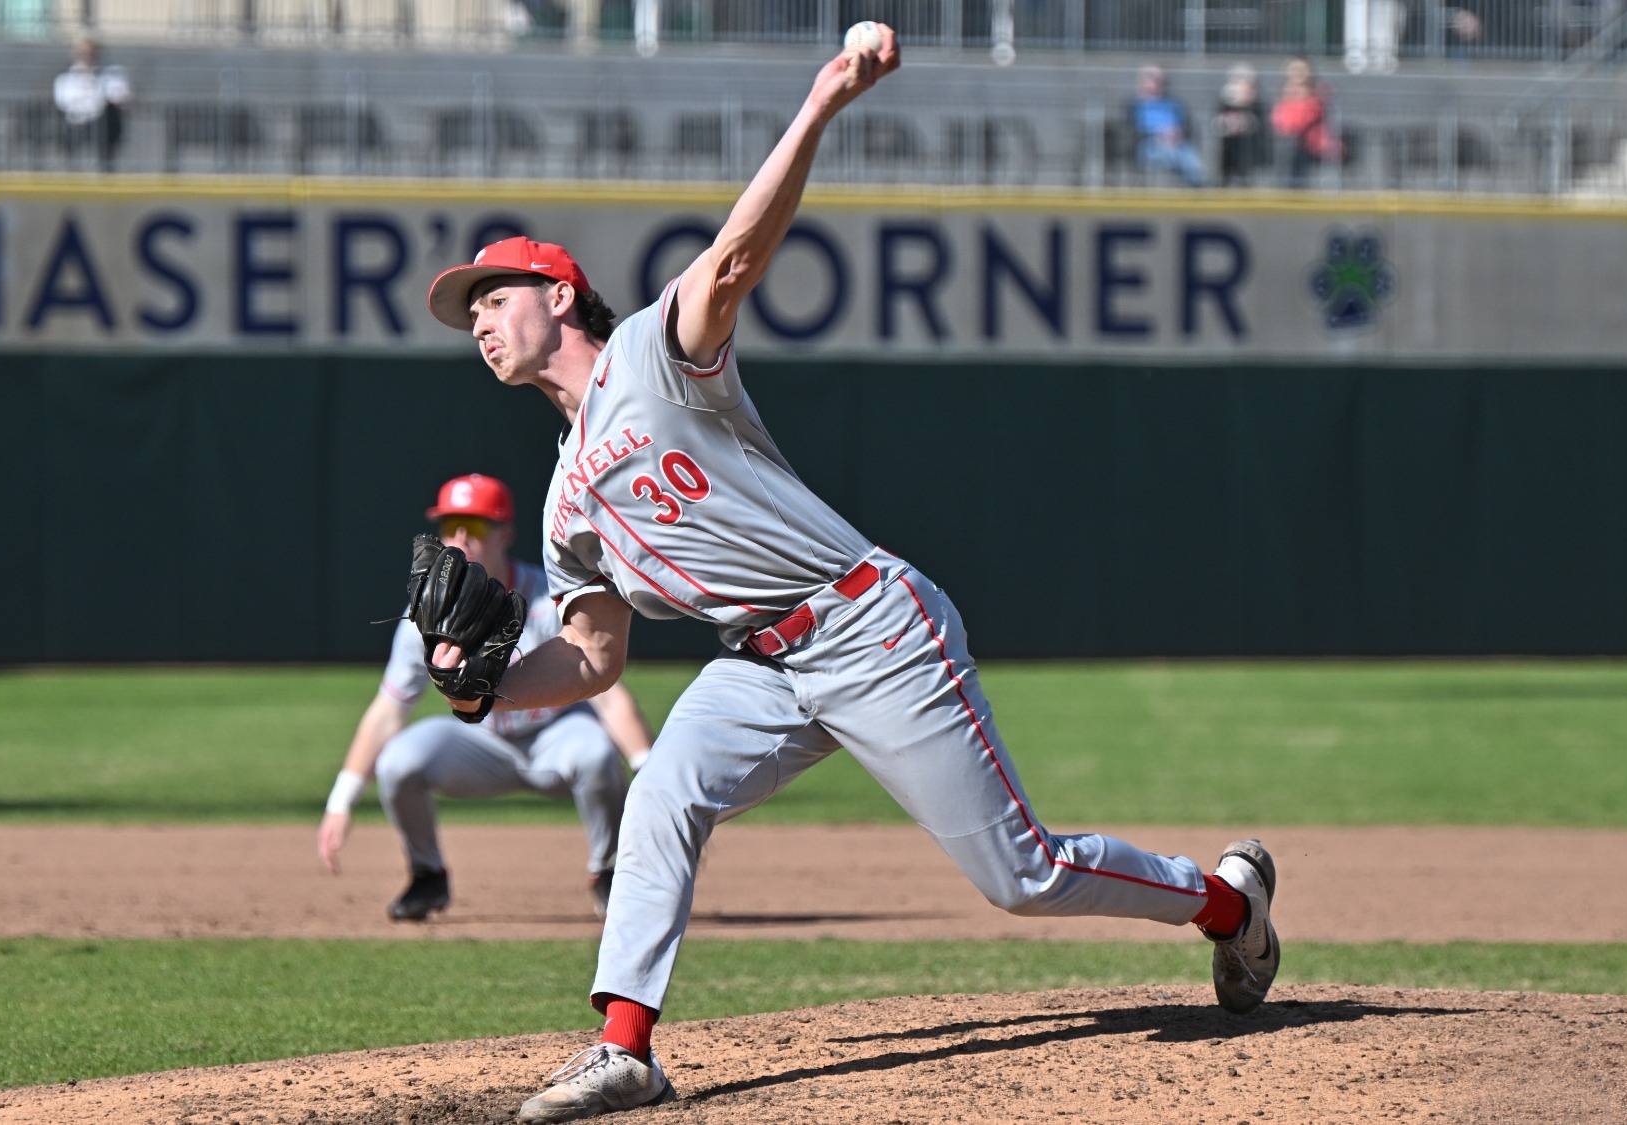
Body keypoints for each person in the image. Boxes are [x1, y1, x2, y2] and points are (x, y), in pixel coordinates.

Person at [419, 23, 1281, 1123]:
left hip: (871, 627)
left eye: (493, 299)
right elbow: (589, 660)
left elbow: (732, 256)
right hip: (761, 667)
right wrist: (484, 684)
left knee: (1019, 876)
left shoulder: (647, 354)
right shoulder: (560, 501)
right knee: (662, 793)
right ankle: (625, 1046)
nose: (479, 323)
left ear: (557, 294)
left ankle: (1226, 904)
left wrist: (823, 99)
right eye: (470, 313)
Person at [318, 473, 654, 922]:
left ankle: (608, 871)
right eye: (451, 525)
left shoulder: (550, 600)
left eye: (475, 526)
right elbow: (387, 709)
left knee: (595, 751)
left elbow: (610, 699)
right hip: (479, 745)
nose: (461, 538)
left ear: (506, 533)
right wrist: (341, 801)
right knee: (398, 761)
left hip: (554, 735)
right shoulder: (425, 615)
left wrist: (650, 777)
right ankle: (427, 875)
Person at [53, 35, 132, 172]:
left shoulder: (112, 72)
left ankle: (104, 167)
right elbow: (64, 101)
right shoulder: (65, 76)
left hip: (104, 122)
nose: (87, 57)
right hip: (77, 122)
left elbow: (121, 96)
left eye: (91, 53)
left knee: (107, 121)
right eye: (82, 53)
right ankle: (72, 170)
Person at [1132, 63, 1206, 188]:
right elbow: (1133, 129)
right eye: (1152, 78)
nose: (1156, 82)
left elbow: (1184, 125)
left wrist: (1176, 133)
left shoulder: (1173, 104)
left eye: (1159, 79)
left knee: (1187, 154)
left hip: (1176, 143)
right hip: (1149, 144)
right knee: (1172, 154)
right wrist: (1159, 134)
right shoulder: (1136, 105)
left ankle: (1201, 187)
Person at [1271, 57, 1339, 188]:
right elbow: (1278, 121)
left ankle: (1295, 187)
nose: (1297, 75)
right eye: (1294, 70)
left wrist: (1300, 99)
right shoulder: (1283, 98)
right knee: (1287, 145)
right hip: (1288, 142)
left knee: (1294, 146)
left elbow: (1305, 120)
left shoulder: (1317, 95)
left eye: (1301, 70)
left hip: (1312, 144)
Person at [1215, 62, 1268, 187]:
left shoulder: (1258, 107)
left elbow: (1257, 125)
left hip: (1250, 150)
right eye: (1238, 81)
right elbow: (1218, 124)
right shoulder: (1224, 105)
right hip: (1228, 148)